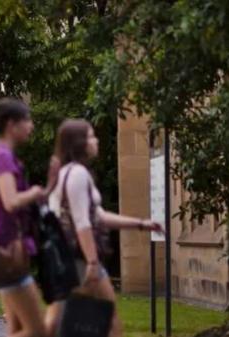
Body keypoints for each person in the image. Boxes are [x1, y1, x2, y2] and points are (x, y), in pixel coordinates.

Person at [45, 119, 163, 337]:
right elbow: (83, 222)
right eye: (91, 136)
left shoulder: (66, 174)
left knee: (59, 322)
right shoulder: (77, 174)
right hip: (80, 260)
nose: (96, 140)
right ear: (79, 143)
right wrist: (92, 262)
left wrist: (140, 224)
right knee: (110, 322)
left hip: (66, 259)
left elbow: (97, 216)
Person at [0, 97, 55, 337]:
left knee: (17, 328)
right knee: (37, 330)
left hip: (2, 247)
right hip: (4, 250)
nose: (31, 126)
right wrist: (33, 193)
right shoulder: (2, 156)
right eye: (28, 120)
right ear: (12, 124)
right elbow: (10, 201)